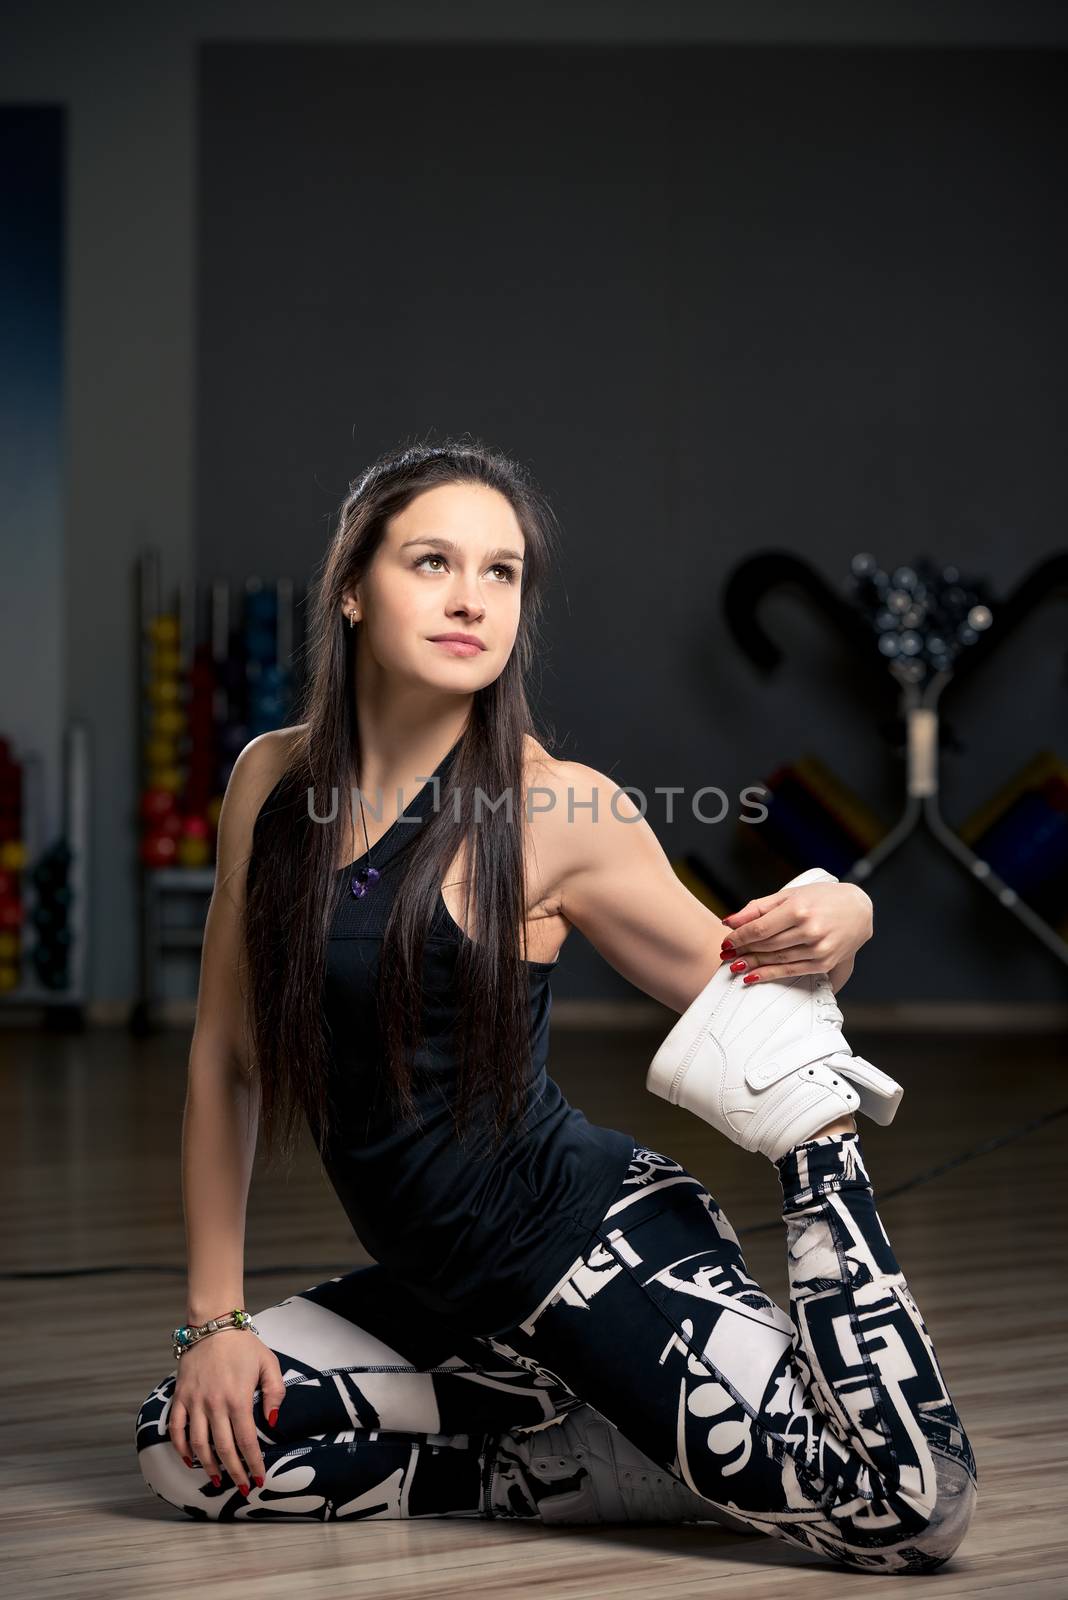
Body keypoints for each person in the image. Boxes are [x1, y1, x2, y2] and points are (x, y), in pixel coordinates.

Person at [134, 439, 977, 1572]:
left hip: (590, 1251)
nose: (471, 599)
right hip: (451, 1298)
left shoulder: (555, 808)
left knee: (907, 1512)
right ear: (350, 586)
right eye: (433, 561)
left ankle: (621, 1419)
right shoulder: (270, 784)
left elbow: (762, 983)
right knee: (187, 1445)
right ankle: (580, 1456)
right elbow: (227, 1061)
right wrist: (216, 1322)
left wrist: (844, 909)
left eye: (503, 571)